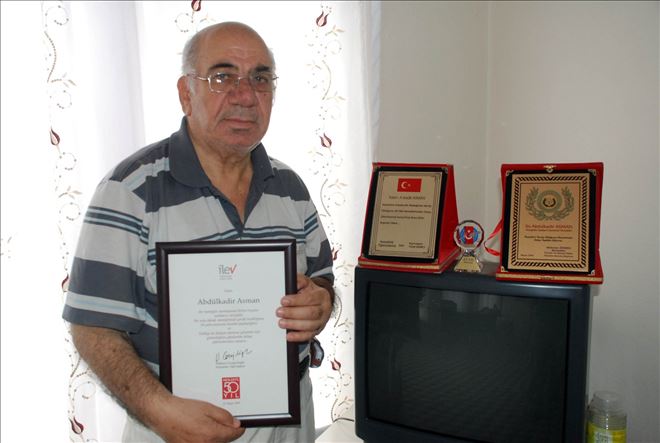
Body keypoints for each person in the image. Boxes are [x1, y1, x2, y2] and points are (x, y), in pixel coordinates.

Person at [62, 21, 335, 443]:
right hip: (175, 427)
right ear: (186, 93)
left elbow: (322, 282)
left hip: (290, 420)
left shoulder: (290, 188)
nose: (245, 96)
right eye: (223, 77)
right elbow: (92, 327)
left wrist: (321, 302)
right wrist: (157, 410)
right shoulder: (130, 190)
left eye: (260, 79)